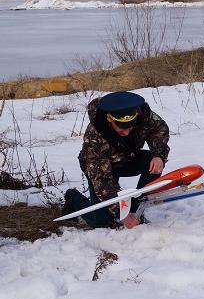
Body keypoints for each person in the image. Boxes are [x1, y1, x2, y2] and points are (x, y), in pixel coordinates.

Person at [62, 91, 170, 229]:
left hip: (127, 159)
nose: (127, 132)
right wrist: (121, 212)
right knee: (102, 222)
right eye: (121, 129)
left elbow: (160, 128)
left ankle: (136, 207)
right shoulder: (95, 136)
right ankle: (74, 199)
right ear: (109, 119)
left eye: (130, 127)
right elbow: (102, 179)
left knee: (151, 161)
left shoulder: (141, 113)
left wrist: (158, 155)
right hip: (100, 170)